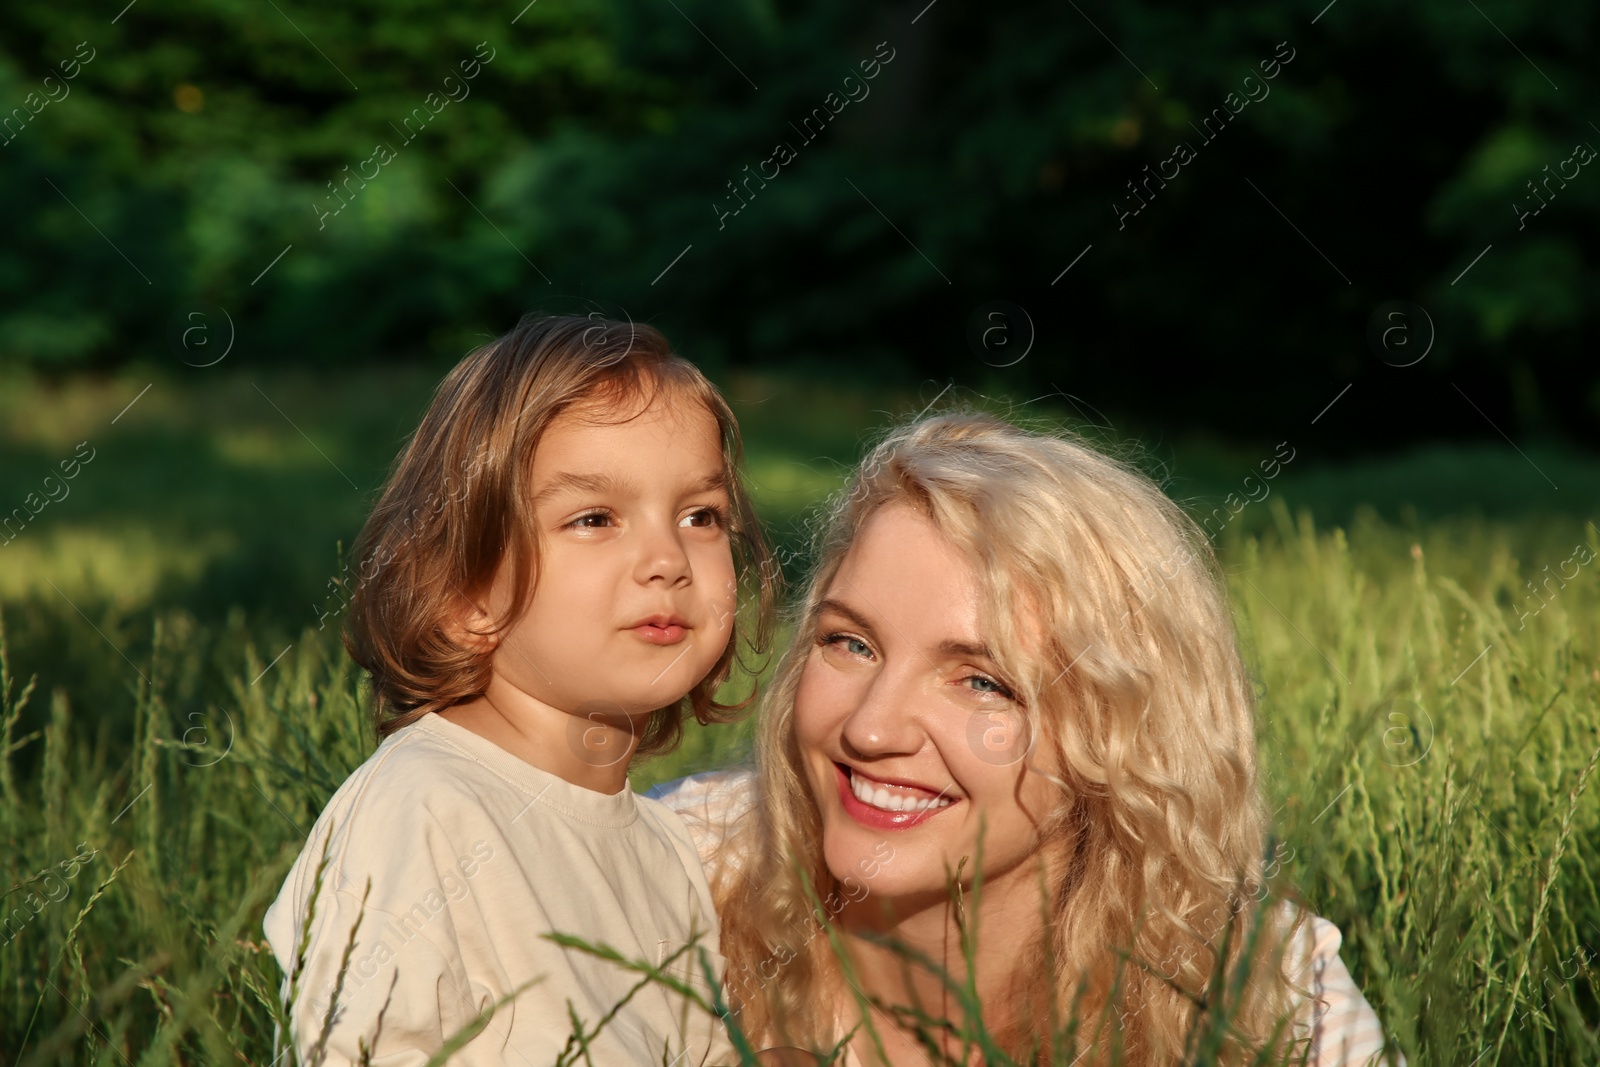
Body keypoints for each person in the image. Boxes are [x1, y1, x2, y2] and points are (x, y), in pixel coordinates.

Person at [652, 412, 1404, 1066]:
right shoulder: (666, 884)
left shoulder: (1257, 992)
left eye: (983, 681)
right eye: (851, 643)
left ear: (1118, 737)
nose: (869, 726)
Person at [263, 314, 775, 1066]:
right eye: (594, 518)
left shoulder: (665, 855)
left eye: (701, 515)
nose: (666, 558)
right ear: (465, 594)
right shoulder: (423, 806)